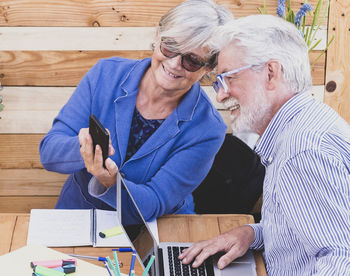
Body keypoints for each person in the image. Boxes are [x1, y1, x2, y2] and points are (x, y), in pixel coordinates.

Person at [179, 15, 350, 275]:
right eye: (218, 82)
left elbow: (340, 261)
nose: (221, 93)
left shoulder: (302, 152)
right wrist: (251, 233)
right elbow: (302, 230)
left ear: (271, 73)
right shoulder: (304, 124)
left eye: (229, 78)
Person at [39, 0, 233, 225]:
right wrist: (84, 149)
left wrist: (109, 181)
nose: (174, 64)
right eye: (169, 46)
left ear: (208, 68)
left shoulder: (208, 129)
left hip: (154, 230)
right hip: (81, 216)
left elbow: (155, 201)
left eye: (192, 61)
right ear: (158, 35)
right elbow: (49, 153)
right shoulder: (106, 74)